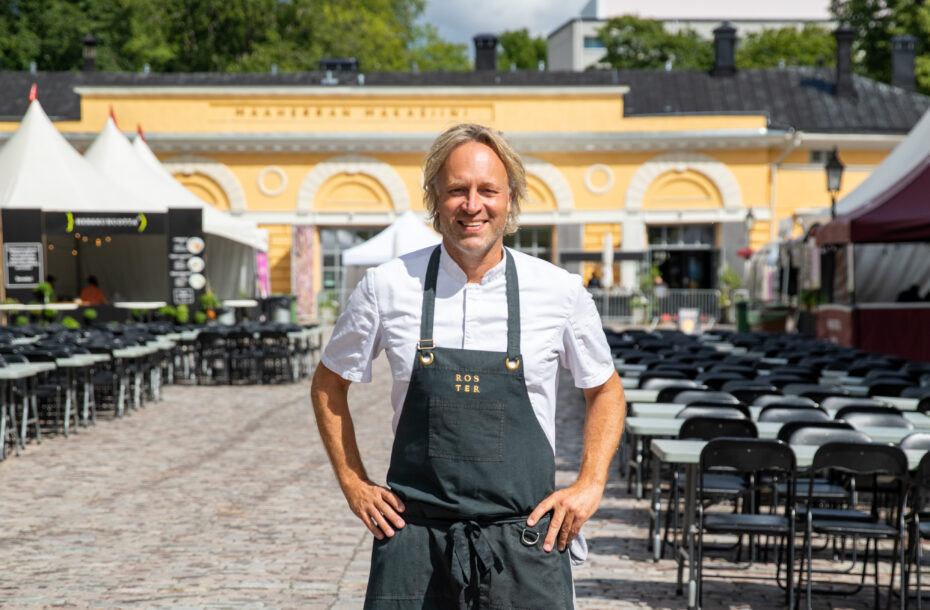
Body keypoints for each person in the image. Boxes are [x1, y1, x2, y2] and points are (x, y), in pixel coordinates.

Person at [311, 123, 625, 609]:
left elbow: (605, 390)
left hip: (525, 542)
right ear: (435, 197)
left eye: (487, 190)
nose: (472, 204)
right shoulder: (386, 286)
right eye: (457, 189)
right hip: (415, 542)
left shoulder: (559, 291)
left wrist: (590, 484)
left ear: (511, 197)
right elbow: (329, 383)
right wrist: (353, 483)